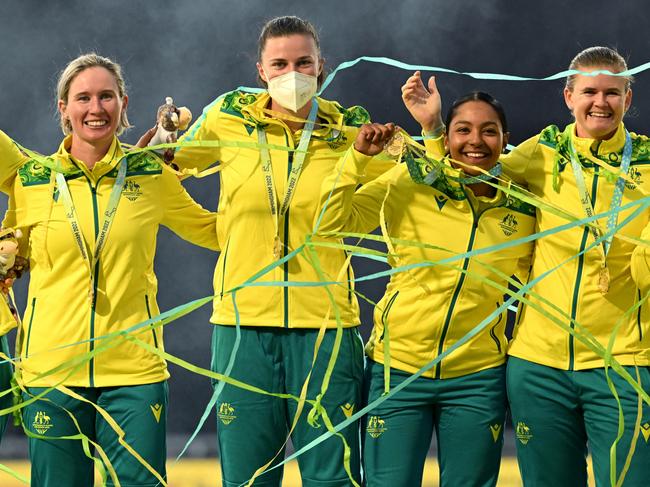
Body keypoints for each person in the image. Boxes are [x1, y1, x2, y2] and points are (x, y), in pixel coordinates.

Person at [166, 15, 393, 487]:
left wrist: (421, 136)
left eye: (304, 62)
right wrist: (168, 145)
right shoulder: (229, 114)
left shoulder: (349, 129)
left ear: (322, 67)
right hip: (242, 324)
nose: (294, 73)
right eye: (281, 63)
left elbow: (406, 182)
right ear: (261, 71)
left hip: (327, 326)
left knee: (333, 477)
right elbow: (169, 171)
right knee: (248, 478)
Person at [418, 46, 650, 486]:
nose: (600, 102)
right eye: (589, 91)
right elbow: (468, 173)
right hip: (538, 366)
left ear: (628, 99)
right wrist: (432, 129)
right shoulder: (542, 152)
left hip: (624, 363)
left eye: (612, 93)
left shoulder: (648, 165)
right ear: (568, 96)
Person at [3, 53, 219, 487]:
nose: (95, 108)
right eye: (82, 97)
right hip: (51, 370)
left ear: (123, 103)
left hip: (134, 370)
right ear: (63, 108)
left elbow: (215, 232)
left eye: (106, 96)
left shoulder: (151, 175)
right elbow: (12, 248)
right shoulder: (32, 179)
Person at [316, 89, 535, 486]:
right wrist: (357, 161)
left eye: (489, 131)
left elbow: (535, 284)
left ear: (505, 140)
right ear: (447, 138)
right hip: (397, 370)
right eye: (463, 130)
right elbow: (332, 226)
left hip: (478, 377)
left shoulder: (521, 212)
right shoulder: (407, 183)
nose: (475, 141)